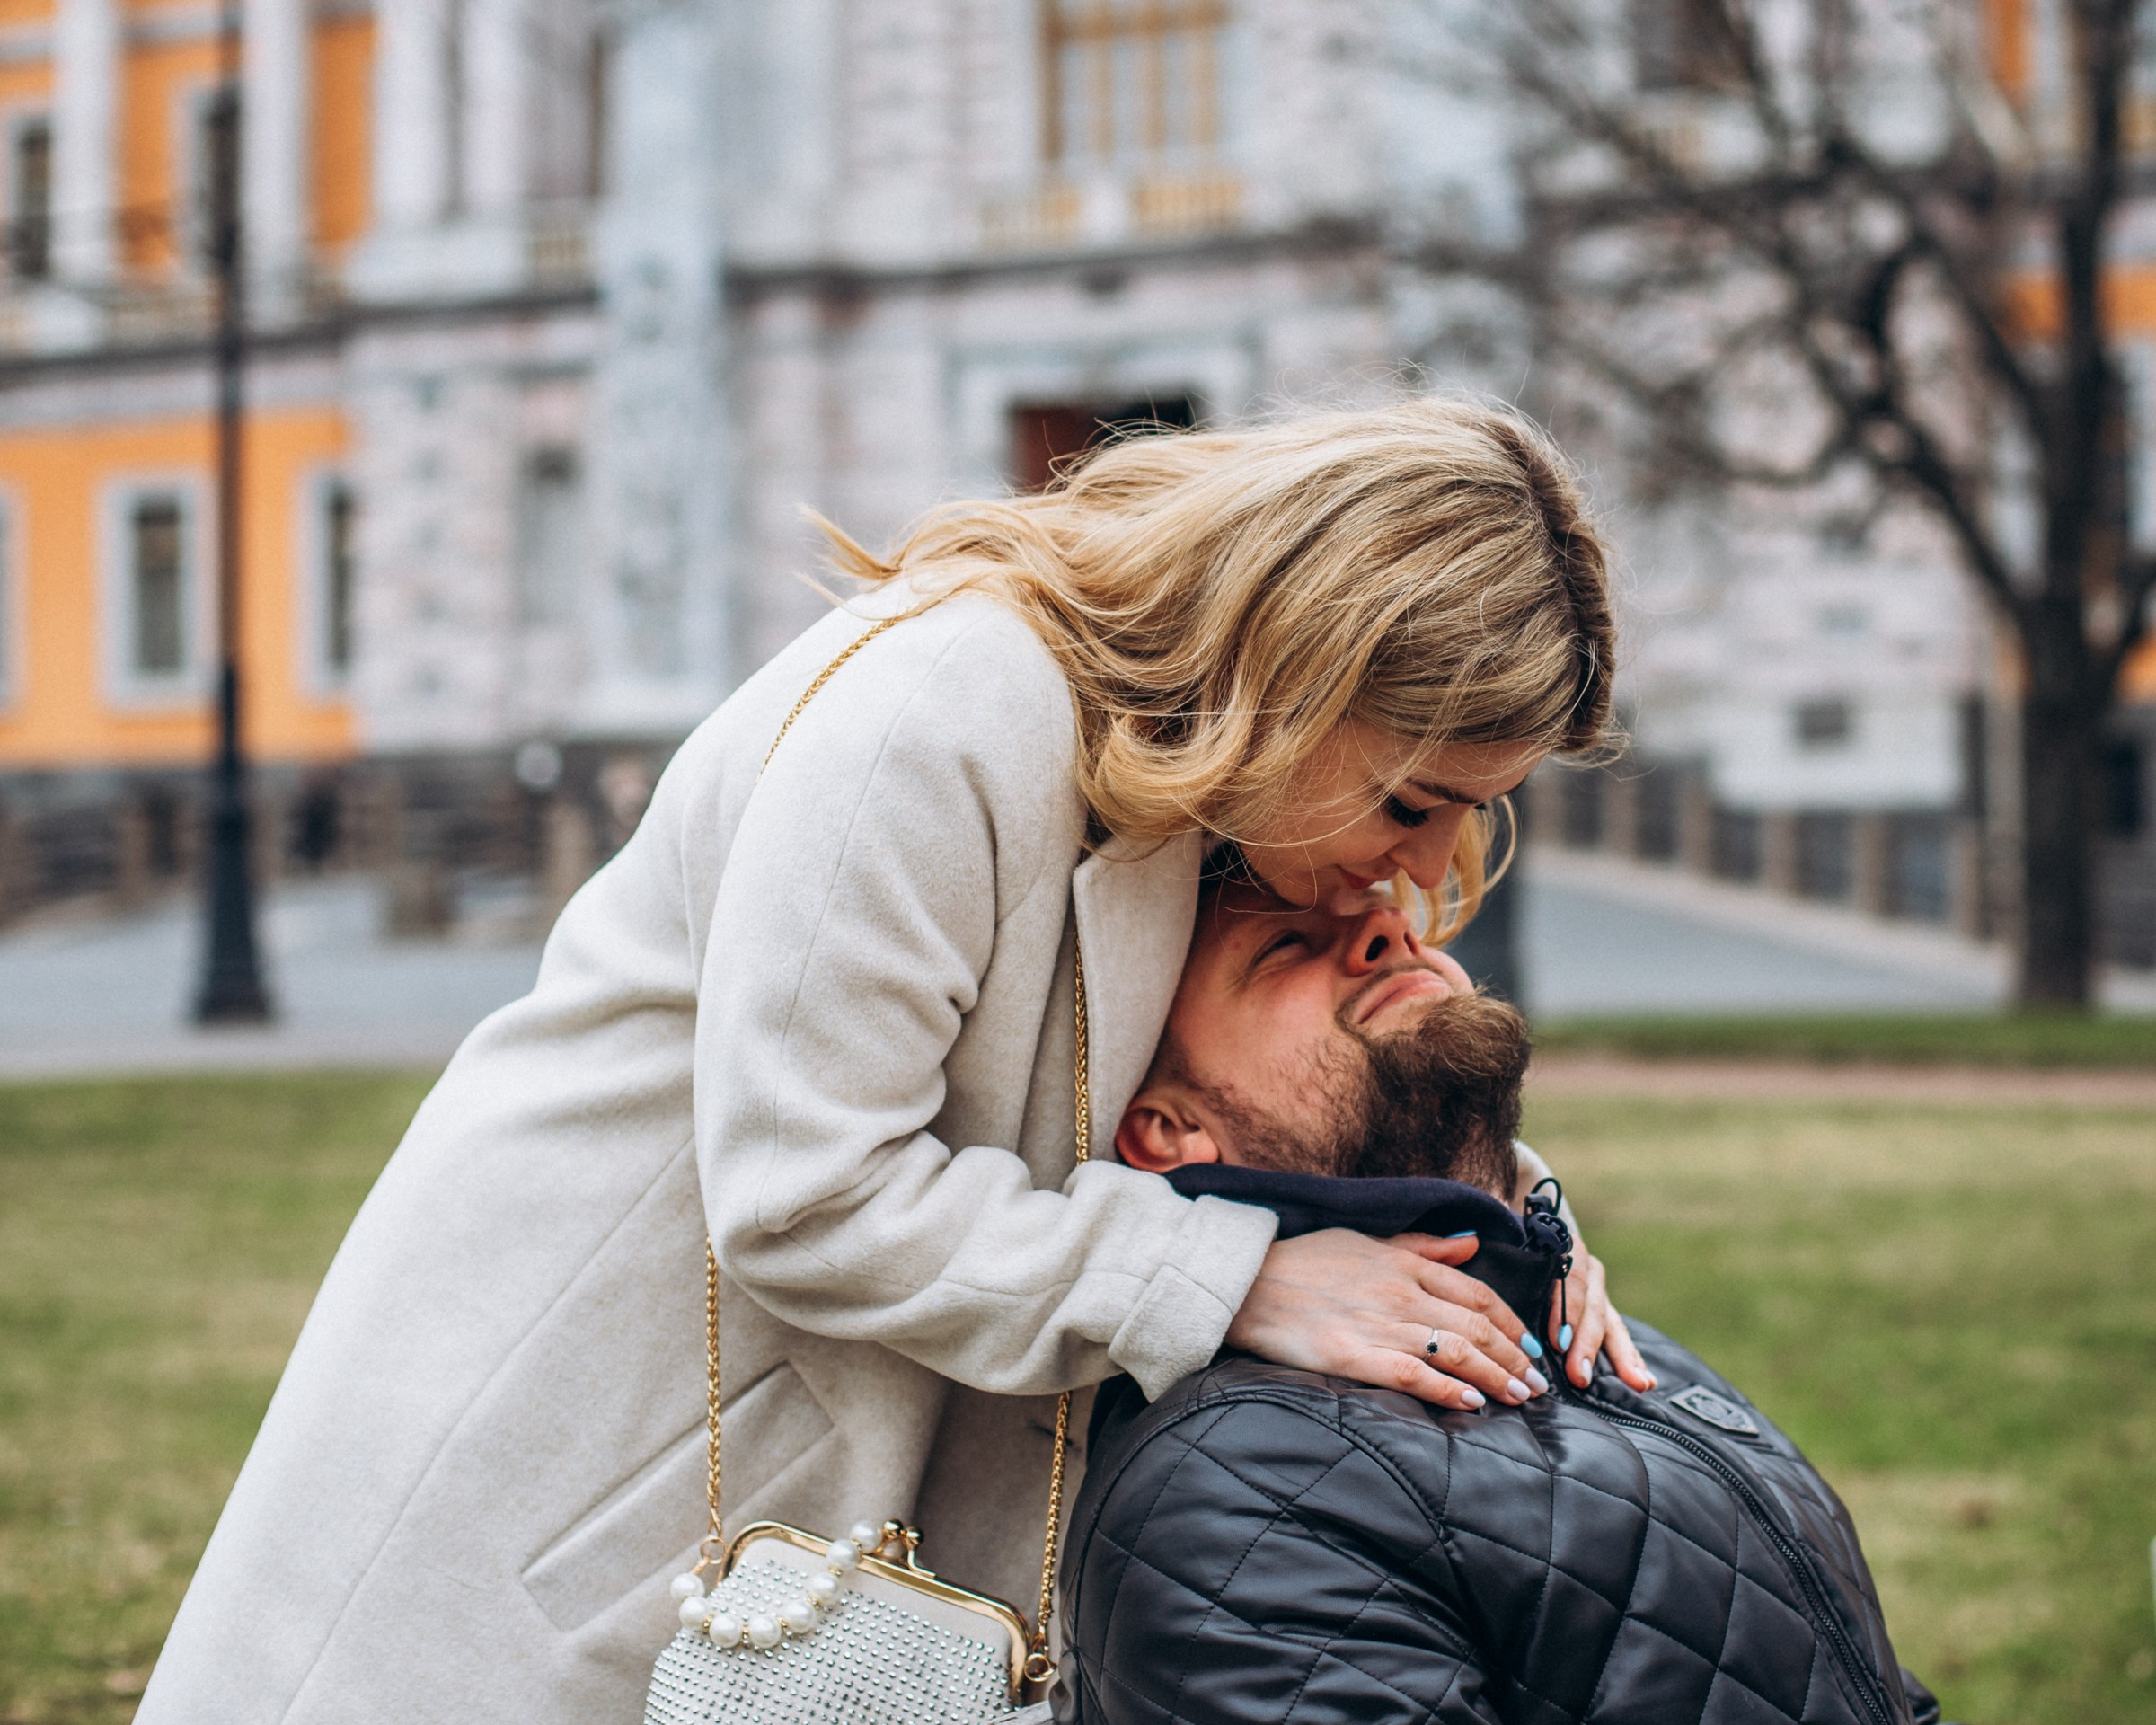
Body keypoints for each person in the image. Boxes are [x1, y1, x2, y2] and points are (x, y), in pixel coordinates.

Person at [141, 401, 1643, 1723]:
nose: (1432, 868)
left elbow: (1264, 1082)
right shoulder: (936, 716)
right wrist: (1229, 1282)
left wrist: (1512, 1232)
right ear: (1307, 670)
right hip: (584, 1465)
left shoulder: (1210, 783)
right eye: (1414, 800)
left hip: (831, 1533)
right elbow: (806, 1192)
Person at [1058, 872, 1947, 1725]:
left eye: (1397, 918)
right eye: (1288, 943)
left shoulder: (1610, 1345)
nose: (1394, 932)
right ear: (1174, 1132)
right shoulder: (1235, 1487)